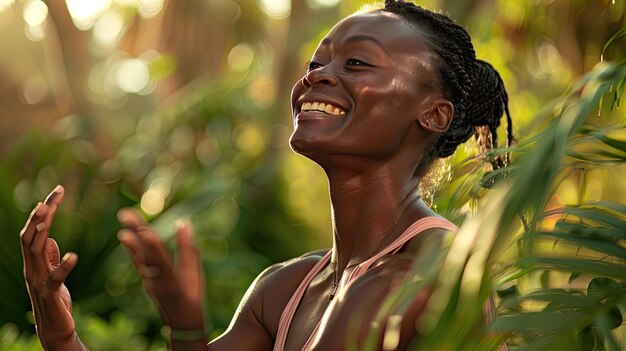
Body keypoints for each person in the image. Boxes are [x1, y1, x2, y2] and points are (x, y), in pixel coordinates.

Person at [19, 1, 511, 350]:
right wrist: (60, 334)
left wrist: (187, 333)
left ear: (434, 115)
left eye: (356, 63)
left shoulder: (432, 272)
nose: (316, 75)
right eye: (316, 62)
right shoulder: (285, 288)